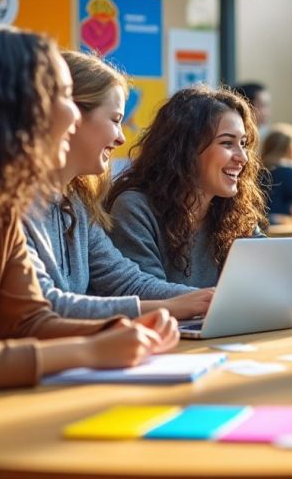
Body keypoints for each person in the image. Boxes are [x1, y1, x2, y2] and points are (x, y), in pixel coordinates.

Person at [0, 25, 177, 398]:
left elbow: (29, 319)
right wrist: (88, 350)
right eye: (62, 96)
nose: (74, 116)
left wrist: (117, 330)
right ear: (14, 106)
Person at [21, 52, 213, 321]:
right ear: (70, 116)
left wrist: (205, 299)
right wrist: (173, 306)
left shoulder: (76, 203)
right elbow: (45, 305)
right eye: (115, 119)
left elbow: (126, 281)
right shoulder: (12, 204)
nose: (122, 138)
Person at [106, 86, 266, 288]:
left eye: (243, 144)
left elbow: (267, 274)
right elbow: (145, 291)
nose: (242, 157)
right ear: (185, 150)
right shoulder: (135, 207)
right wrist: (213, 301)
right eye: (227, 143)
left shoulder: (234, 211)